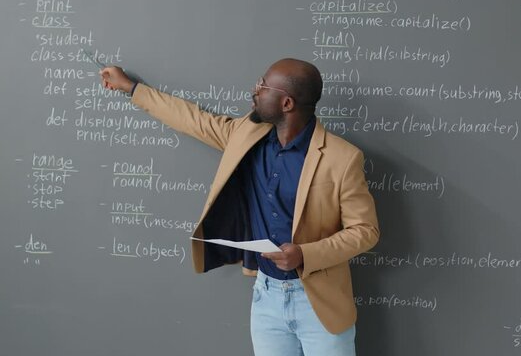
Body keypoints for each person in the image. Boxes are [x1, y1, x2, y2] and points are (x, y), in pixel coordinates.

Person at [100, 58, 379, 356]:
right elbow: (193, 119)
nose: (255, 91)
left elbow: (365, 230)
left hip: (320, 303)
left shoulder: (342, 157)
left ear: (286, 103)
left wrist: (305, 254)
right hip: (266, 297)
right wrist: (130, 88)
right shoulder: (247, 134)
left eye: (263, 86)